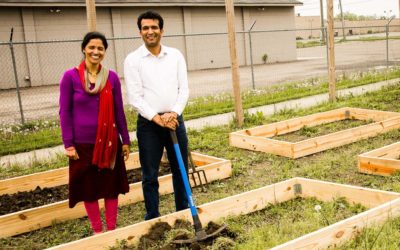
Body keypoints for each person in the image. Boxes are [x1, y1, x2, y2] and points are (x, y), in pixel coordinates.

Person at [59, 31, 131, 234]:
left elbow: (118, 110)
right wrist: (68, 144)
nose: (95, 51)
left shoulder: (111, 78)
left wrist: (125, 140)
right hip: (82, 144)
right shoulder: (70, 77)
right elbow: (65, 112)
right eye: (92, 47)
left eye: (100, 48)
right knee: (88, 189)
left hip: (109, 143)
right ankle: (98, 231)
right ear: (84, 49)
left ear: (105, 51)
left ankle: (112, 229)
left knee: (110, 186)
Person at [124, 10, 190, 220]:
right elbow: (135, 97)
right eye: (145, 28)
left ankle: (183, 212)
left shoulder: (175, 55)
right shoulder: (133, 60)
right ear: (140, 32)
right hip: (149, 125)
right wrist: (157, 117)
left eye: (154, 27)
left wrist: (174, 113)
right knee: (149, 174)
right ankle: (153, 217)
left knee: (180, 169)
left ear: (162, 30)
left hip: (174, 121)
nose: (150, 32)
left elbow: (184, 89)